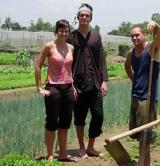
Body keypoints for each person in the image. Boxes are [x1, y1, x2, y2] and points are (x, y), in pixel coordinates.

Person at [67, 3, 108, 158]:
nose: (84, 17)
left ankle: (91, 146)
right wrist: (70, 84)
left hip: (95, 82)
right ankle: (82, 147)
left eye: (87, 15)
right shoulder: (71, 37)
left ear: (90, 18)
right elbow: (67, 60)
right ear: (78, 17)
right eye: (82, 15)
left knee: (98, 115)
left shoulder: (96, 36)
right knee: (79, 117)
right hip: (77, 84)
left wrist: (104, 81)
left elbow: (101, 59)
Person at [35, 19, 77, 162]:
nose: (64, 33)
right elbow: (38, 65)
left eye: (66, 30)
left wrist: (73, 86)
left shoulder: (71, 47)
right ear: (56, 32)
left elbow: (70, 69)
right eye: (61, 30)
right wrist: (39, 86)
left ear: (69, 32)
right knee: (52, 121)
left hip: (68, 88)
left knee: (65, 122)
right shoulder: (49, 46)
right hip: (53, 88)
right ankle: (50, 154)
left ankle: (63, 153)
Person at [124, 21, 160, 166]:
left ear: (144, 35)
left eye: (137, 35)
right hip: (135, 97)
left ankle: (142, 163)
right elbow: (127, 66)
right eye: (132, 36)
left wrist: (156, 25)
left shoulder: (151, 49)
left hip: (147, 99)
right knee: (140, 137)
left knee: (145, 137)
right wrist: (134, 79)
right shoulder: (131, 53)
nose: (134, 38)